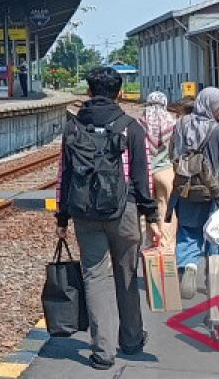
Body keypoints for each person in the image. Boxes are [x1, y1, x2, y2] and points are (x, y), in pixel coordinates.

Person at [55, 66, 161, 370]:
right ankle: (130, 340)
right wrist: (151, 215)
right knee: (127, 274)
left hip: (84, 212)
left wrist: (61, 216)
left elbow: (64, 175)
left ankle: (102, 351)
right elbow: (143, 176)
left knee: (95, 276)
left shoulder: (73, 127)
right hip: (124, 210)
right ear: (118, 92)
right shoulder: (131, 126)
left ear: (88, 92)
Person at [170, 87, 219, 299]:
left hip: (186, 188)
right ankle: (214, 278)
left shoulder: (180, 124)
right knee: (215, 233)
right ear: (210, 106)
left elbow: (173, 153)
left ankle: (189, 266)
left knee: (189, 231)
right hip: (214, 190)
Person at [140, 91, 177, 250]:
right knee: (166, 210)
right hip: (166, 171)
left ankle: (149, 243)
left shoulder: (140, 122)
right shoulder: (172, 122)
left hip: (145, 172)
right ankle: (166, 245)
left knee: (148, 209)